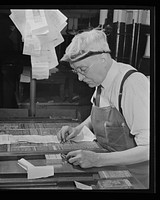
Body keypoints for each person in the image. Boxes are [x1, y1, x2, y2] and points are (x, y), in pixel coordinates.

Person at [57, 29, 150, 187]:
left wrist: (97, 159)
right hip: (111, 169)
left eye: (83, 70)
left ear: (102, 58)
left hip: (136, 179)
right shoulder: (101, 81)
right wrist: (79, 129)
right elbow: (100, 112)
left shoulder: (131, 84)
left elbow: (149, 148)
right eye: (76, 71)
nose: (80, 78)